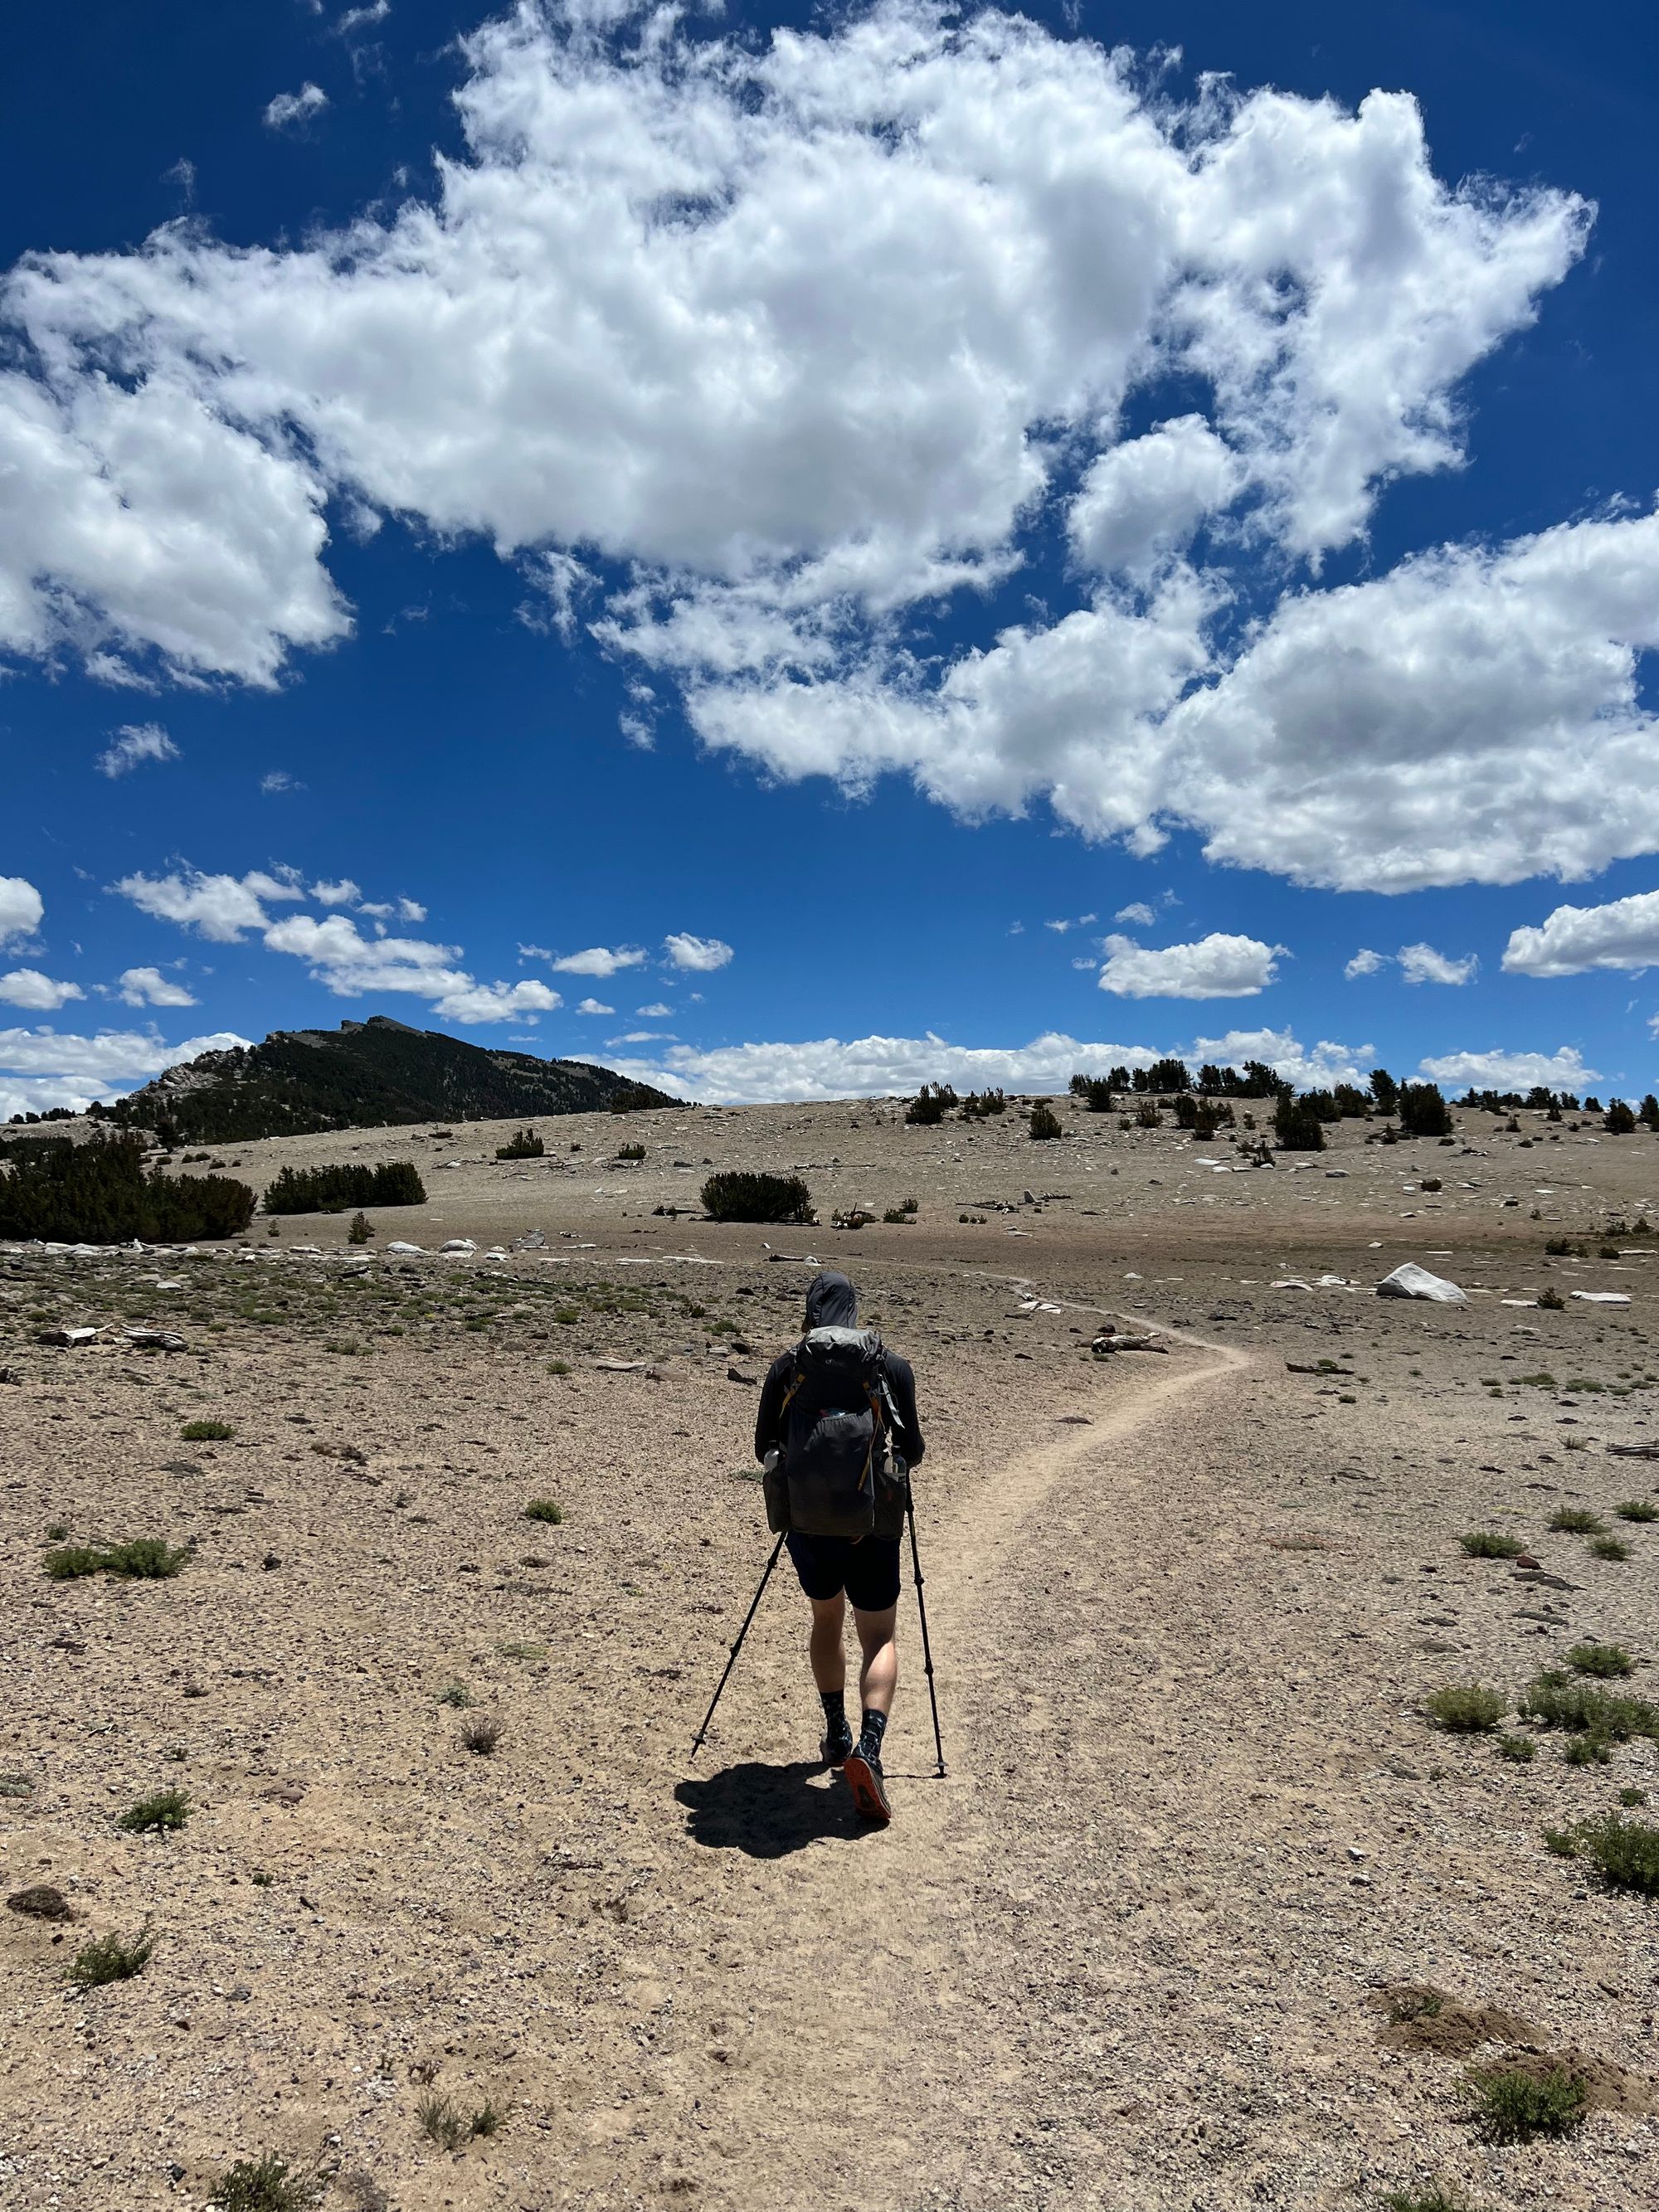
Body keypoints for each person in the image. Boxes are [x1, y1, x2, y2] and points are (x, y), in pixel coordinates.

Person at [753, 1269, 924, 1824]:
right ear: (853, 1309)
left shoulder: (789, 1366)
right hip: (872, 1523)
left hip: (807, 1525)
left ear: (811, 1308)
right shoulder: (887, 1364)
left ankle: (835, 1731)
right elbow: (914, 1450)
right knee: (878, 1634)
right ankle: (869, 1751)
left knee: (825, 1620)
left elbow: (764, 1447)